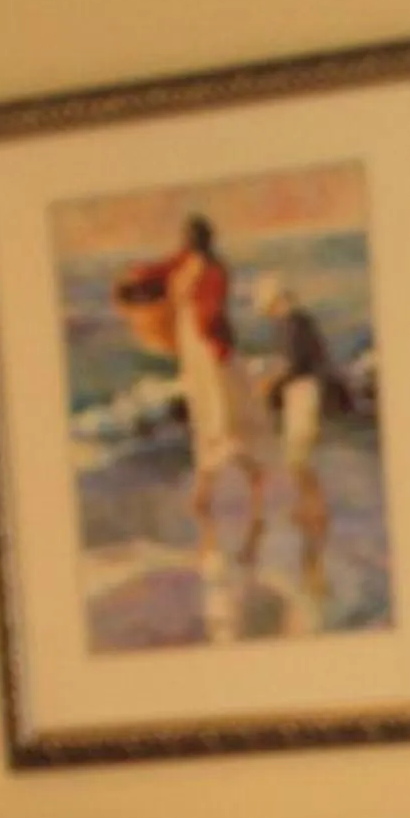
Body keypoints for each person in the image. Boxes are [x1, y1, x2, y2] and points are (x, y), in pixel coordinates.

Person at [113, 214, 264, 569]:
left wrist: (195, 312)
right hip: (192, 347)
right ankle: (211, 490)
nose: (186, 242)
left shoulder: (214, 269)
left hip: (209, 350)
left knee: (219, 415)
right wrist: (135, 281)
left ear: (199, 239)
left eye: (190, 237)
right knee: (205, 415)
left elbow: (212, 312)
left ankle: (233, 489)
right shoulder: (184, 262)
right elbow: (157, 272)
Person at [255, 278, 342, 594]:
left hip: (303, 393)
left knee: (298, 456)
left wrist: (266, 384)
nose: (266, 314)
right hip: (307, 391)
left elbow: (291, 365)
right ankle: (310, 507)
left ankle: (313, 509)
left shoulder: (290, 324)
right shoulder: (300, 321)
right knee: (298, 456)